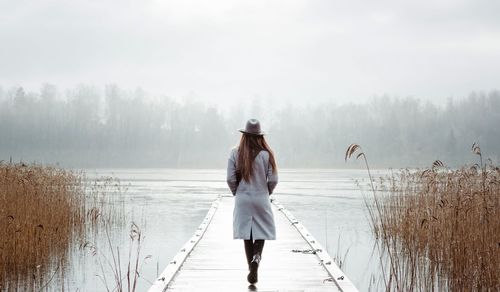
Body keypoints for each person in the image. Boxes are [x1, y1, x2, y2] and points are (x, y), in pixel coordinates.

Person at [226, 118, 278, 285]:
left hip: (243, 198)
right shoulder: (266, 154)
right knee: (261, 231)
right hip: (261, 197)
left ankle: (251, 267)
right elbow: (274, 179)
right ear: (259, 136)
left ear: (244, 135)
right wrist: (266, 191)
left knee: (246, 235)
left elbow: (230, 178)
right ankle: (256, 259)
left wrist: (237, 192)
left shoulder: (235, 152)